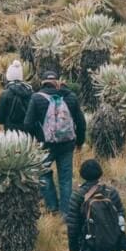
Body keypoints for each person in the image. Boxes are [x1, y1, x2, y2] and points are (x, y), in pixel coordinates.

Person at [24, 68, 86, 216]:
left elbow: (28, 124)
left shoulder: (36, 98)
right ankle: (66, 213)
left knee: (43, 173)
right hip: (67, 144)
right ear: (57, 82)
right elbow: (81, 122)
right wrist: (79, 142)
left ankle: (52, 206)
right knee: (65, 178)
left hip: (45, 145)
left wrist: (35, 139)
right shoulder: (70, 97)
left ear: (43, 82)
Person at [66, 159, 126, 251]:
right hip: (109, 242)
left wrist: (73, 248)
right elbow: (121, 216)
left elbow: (73, 225)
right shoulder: (111, 192)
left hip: (88, 244)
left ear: (82, 174)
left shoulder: (78, 195)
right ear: (100, 172)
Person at [0, 59, 32, 132]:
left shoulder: (4, 94)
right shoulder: (30, 92)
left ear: (8, 77)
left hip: (10, 133)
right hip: (27, 132)